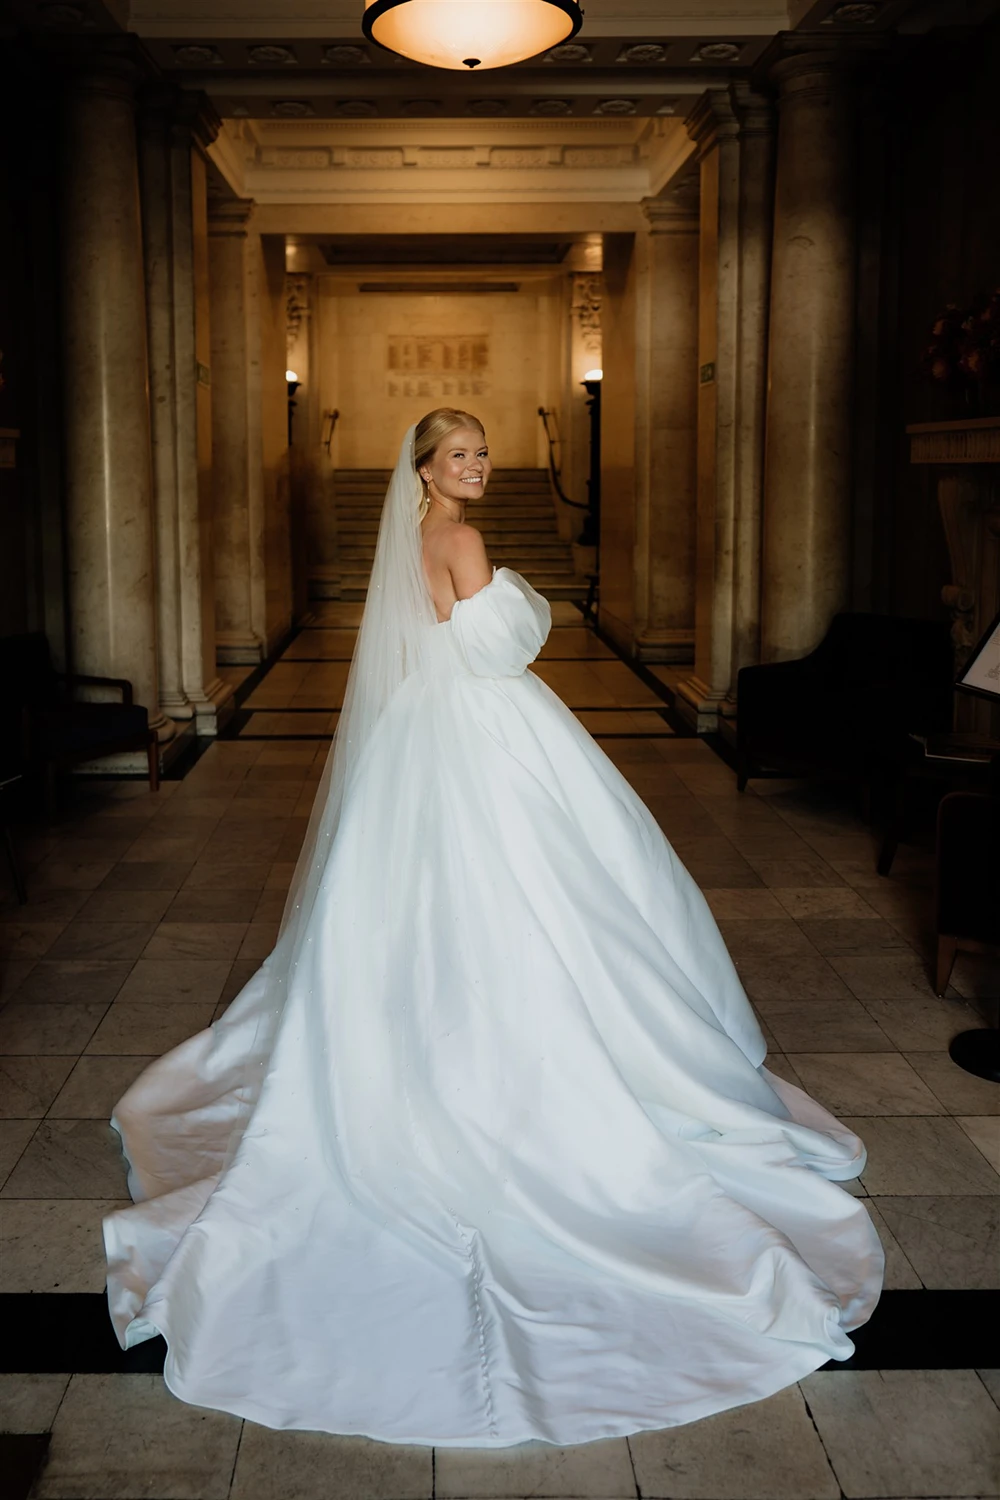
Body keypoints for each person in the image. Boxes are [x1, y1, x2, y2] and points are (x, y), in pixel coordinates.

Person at [104, 409, 883, 1448]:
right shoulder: (463, 541)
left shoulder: (412, 538)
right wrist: (525, 605)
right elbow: (508, 645)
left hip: (423, 736)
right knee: (557, 892)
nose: (476, 467)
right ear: (423, 467)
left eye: (481, 453)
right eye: (458, 455)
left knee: (419, 904)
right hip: (491, 731)